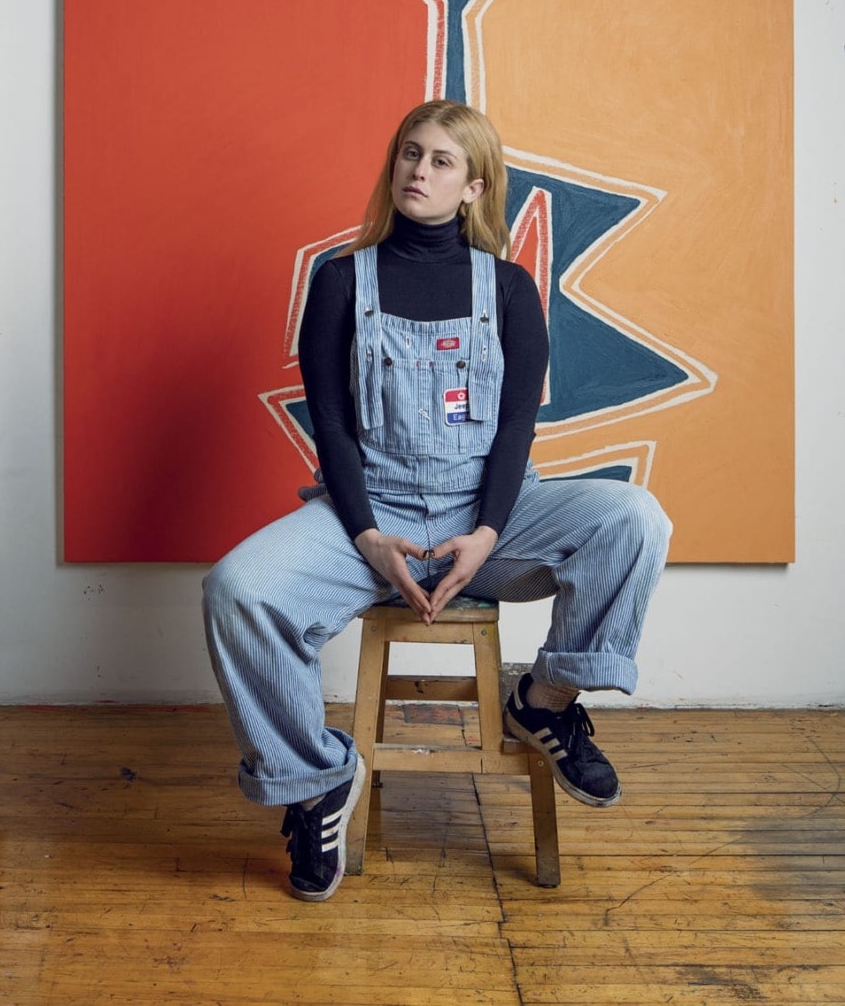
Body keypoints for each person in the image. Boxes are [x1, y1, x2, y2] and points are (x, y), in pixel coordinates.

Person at [202, 99, 671, 902]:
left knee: (635, 517)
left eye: (442, 160)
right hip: (369, 515)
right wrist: (366, 534)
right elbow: (332, 427)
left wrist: (487, 531)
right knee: (236, 588)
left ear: (475, 186)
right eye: (410, 153)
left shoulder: (512, 289)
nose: (419, 170)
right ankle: (314, 781)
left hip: (489, 519)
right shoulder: (341, 280)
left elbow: (516, 425)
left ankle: (545, 701)